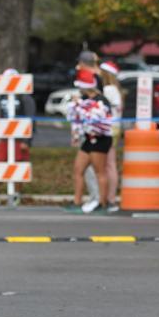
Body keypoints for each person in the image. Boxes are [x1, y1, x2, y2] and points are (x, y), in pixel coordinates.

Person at [65, 51, 113, 214]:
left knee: (100, 171)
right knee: (78, 169)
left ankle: (103, 203)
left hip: (100, 139)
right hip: (88, 139)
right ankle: (77, 201)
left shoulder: (101, 101)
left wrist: (82, 107)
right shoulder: (85, 100)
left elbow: (100, 121)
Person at [0, 68, 36, 206]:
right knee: (0, 165)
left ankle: (16, 195)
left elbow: (31, 119)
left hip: (19, 138)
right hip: (3, 138)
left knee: (18, 166)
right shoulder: (1, 97)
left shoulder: (25, 98)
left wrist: (26, 141)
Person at [81, 60, 123, 213]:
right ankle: (108, 199)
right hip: (113, 128)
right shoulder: (114, 89)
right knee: (108, 165)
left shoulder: (109, 90)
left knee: (108, 165)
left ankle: (108, 199)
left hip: (108, 129)